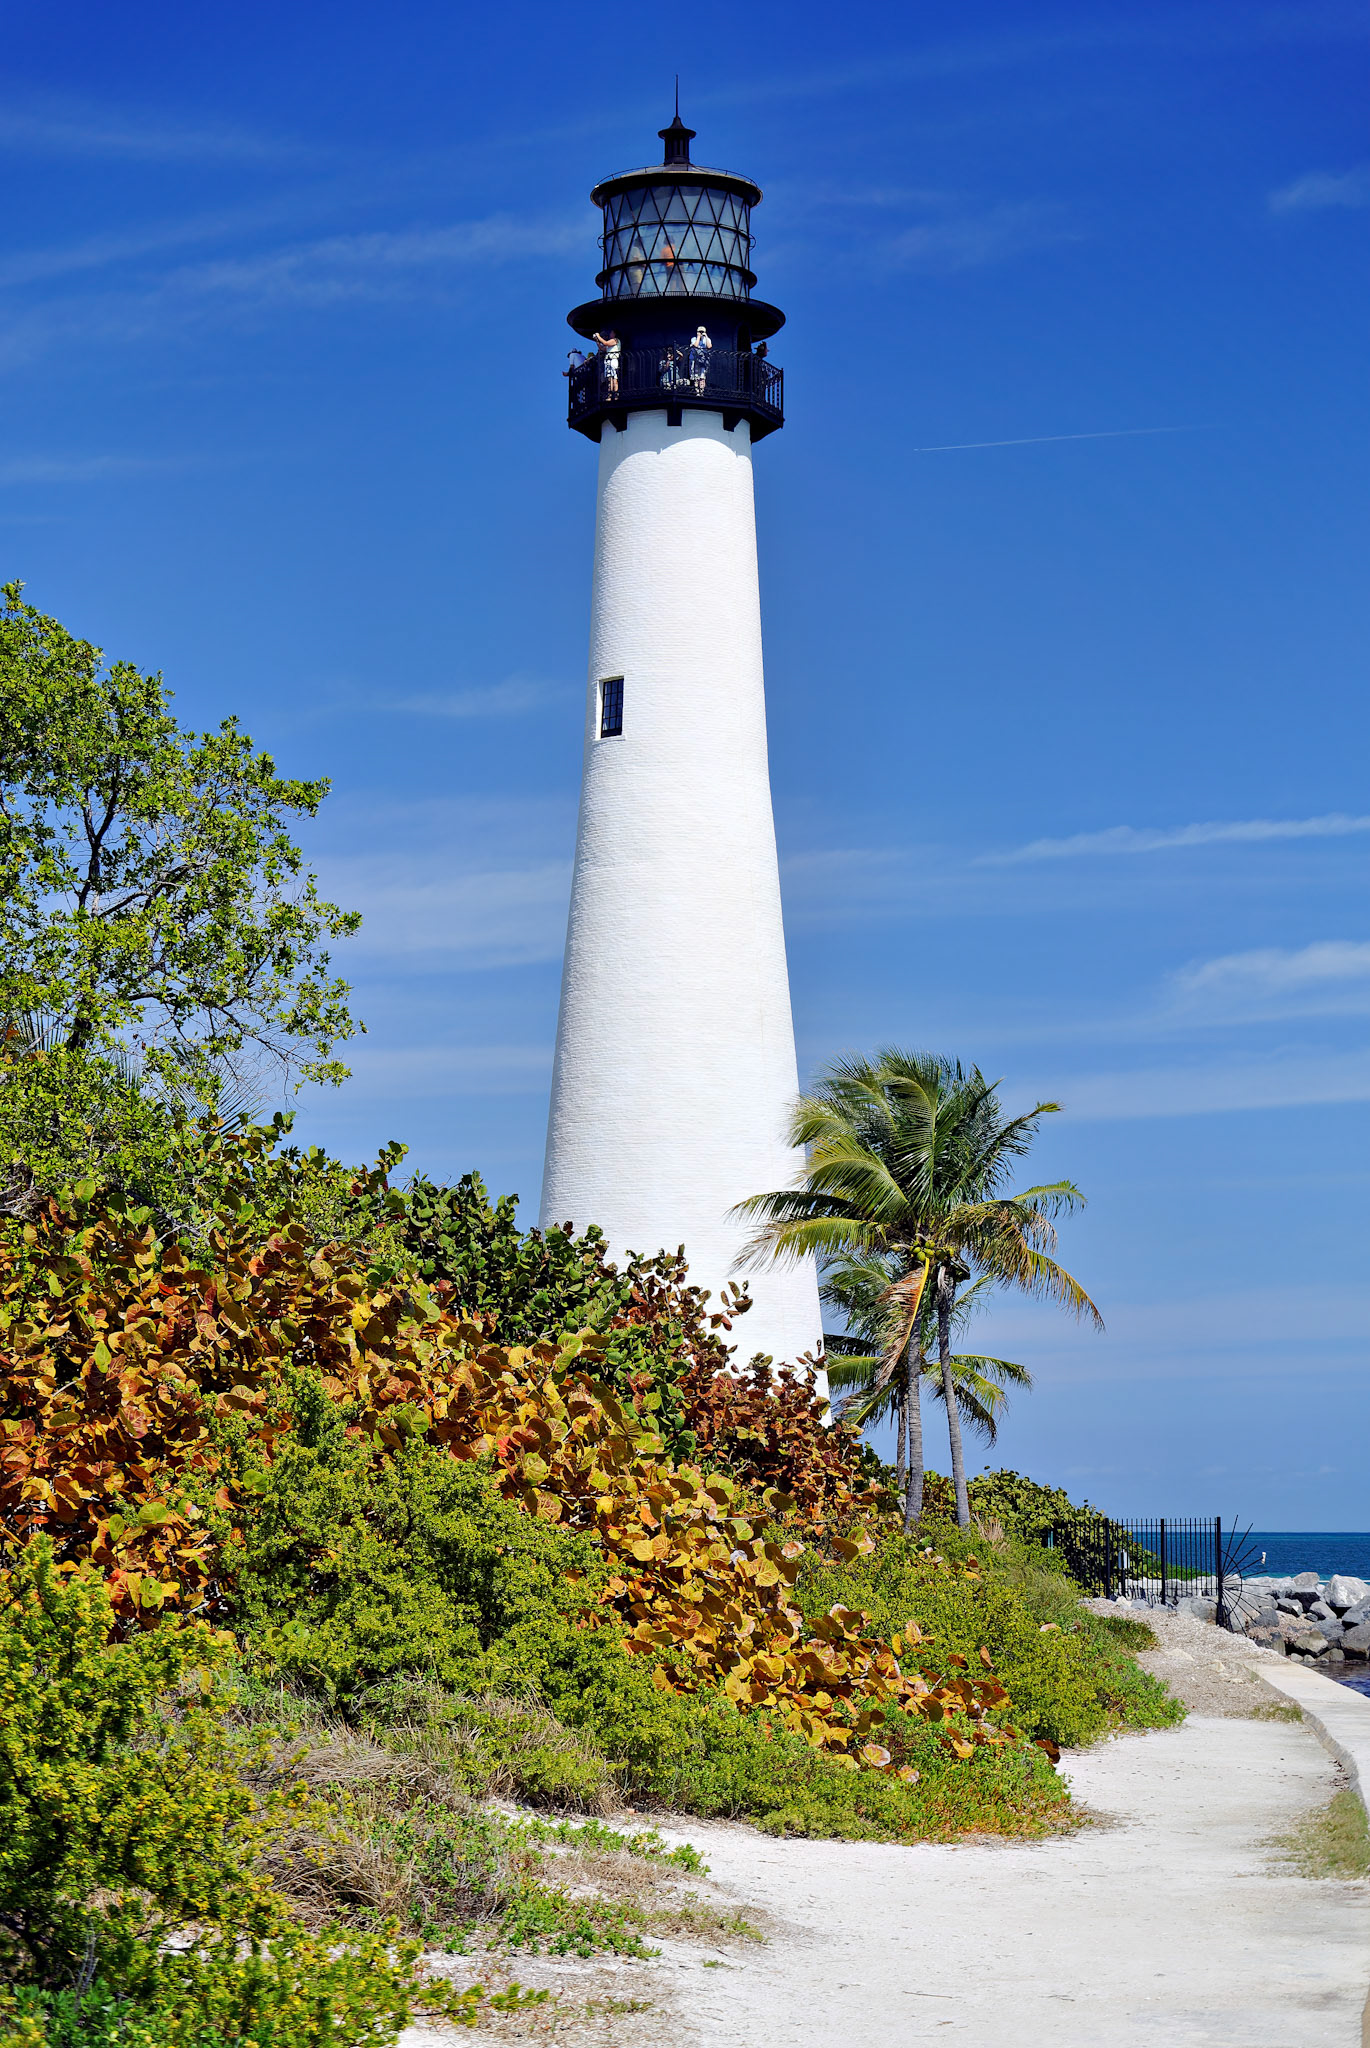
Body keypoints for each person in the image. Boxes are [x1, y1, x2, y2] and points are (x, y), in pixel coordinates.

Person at [593, 328, 620, 398]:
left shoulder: (615, 340)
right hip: (608, 361)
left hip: (613, 360)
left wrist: (598, 336)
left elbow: (605, 343)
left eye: (611, 333)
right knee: (610, 379)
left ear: (614, 334)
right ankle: (610, 395)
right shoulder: (611, 343)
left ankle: (616, 395)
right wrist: (597, 340)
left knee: (614, 379)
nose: (610, 334)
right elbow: (602, 348)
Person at [688, 324, 712, 394]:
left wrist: (706, 336)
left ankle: (701, 391)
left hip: (703, 360)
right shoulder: (694, 339)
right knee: (696, 376)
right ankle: (697, 391)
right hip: (695, 360)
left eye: (702, 331)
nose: (701, 333)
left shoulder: (707, 339)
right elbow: (695, 345)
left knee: (702, 376)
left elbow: (709, 346)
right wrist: (698, 336)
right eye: (700, 331)